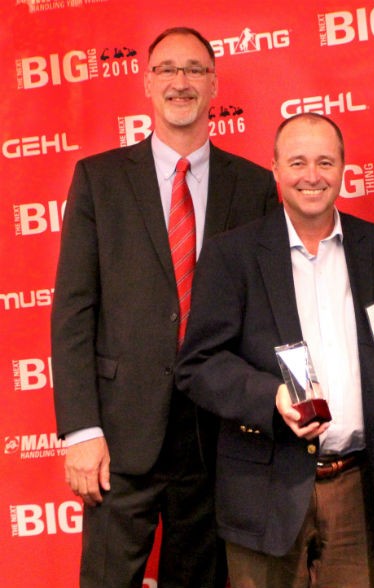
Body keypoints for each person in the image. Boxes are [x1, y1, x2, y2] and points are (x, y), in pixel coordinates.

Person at [51, 26, 279, 587]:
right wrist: (81, 431)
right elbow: (74, 310)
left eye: (195, 70)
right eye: (168, 70)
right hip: (118, 435)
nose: (181, 82)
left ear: (214, 84)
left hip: (214, 437)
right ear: (148, 83)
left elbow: (266, 313)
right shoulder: (98, 179)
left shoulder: (253, 187)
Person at [175, 112, 374, 588]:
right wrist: (270, 396)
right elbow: (198, 366)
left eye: (325, 162)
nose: (312, 176)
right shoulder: (233, 255)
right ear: (274, 168)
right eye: (297, 162)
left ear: (343, 168)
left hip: (357, 489)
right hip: (263, 490)